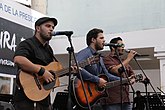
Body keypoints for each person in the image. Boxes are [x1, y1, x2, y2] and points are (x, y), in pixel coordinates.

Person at [13, 17, 77, 110]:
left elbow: (52, 74)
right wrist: (42, 72)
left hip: (44, 99)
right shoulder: (27, 44)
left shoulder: (49, 49)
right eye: (48, 26)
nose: (51, 29)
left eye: (53, 27)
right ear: (38, 28)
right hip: (26, 100)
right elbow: (19, 59)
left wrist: (69, 71)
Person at [75, 28, 121, 110]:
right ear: (93, 40)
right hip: (83, 94)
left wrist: (124, 80)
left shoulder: (99, 57)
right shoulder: (84, 53)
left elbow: (107, 75)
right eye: (101, 38)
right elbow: (77, 68)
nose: (104, 40)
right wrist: (97, 80)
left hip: (94, 98)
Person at [101, 37, 136, 110]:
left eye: (124, 46)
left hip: (125, 99)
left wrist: (132, 80)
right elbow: (115, 70)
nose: (123, 48)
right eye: (121, 45)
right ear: (113, 47)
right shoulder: (106, 59)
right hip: (112, 101)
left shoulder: (123, 61)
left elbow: (132, 75)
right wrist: (129, 58)